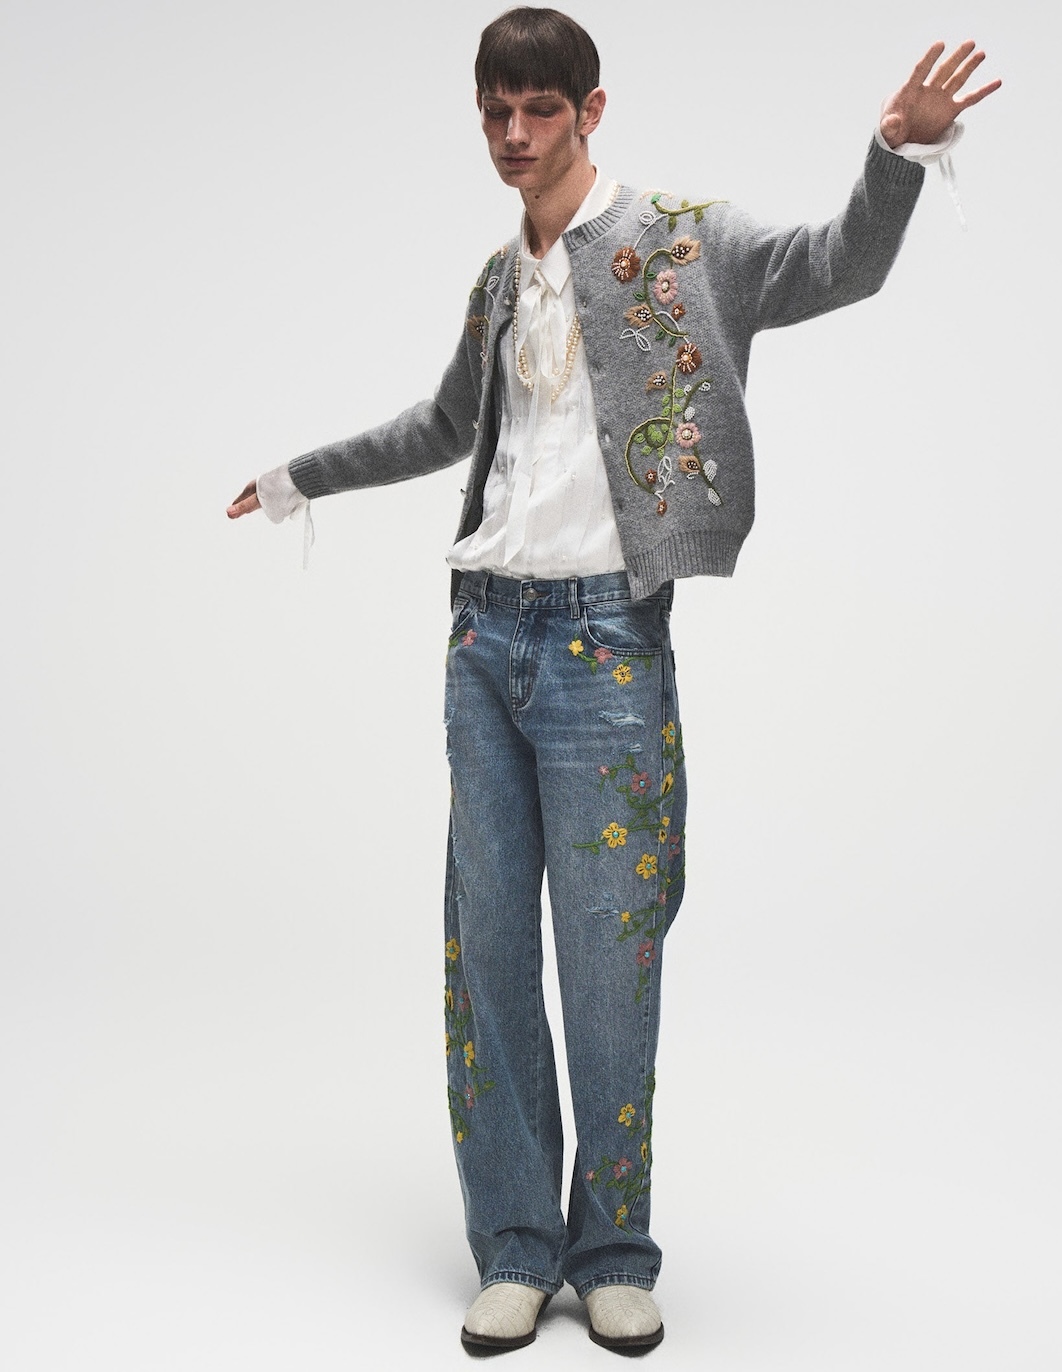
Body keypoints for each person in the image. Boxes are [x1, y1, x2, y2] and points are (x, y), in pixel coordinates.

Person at [227, 8, 999, 1356]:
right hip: (482, 645)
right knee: (486, 957)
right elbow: (446, 423)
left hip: (606, 648)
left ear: (591, 110)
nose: (514, 135)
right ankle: (518, 1248)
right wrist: (303, 477)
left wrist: (895, 156)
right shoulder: (496, 280)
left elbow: (836, 265)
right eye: (495, 112)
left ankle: (614, 1250)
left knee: (609, 956)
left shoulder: (686, 240)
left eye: (539, 110)